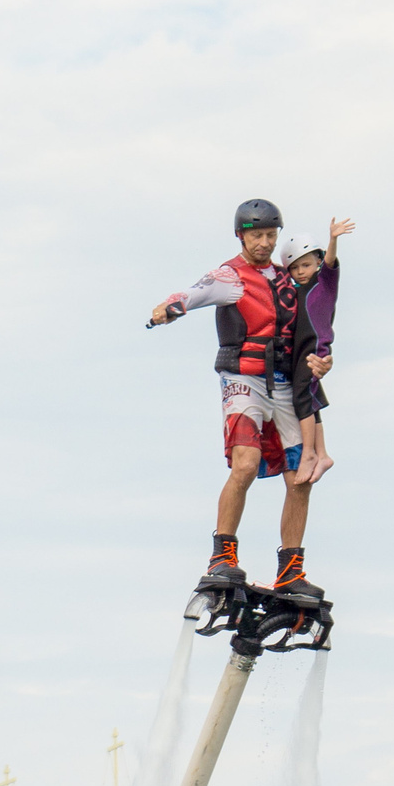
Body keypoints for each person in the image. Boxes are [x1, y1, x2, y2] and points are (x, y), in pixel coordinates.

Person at [146, 198, 325, 603]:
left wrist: (319, 361)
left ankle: (291, 570)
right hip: (243, 379)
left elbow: (311, 327)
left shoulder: (286, 280)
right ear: (241, 235)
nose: (264, 242)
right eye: (256, 235)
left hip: (282, 382)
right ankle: (222, 556)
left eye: (270, 235)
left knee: (301, 475)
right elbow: (193, 294)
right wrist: (168, 309)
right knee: (244, 464)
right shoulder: (230, 276)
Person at [282, 218, 353, 485]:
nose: (301, 272)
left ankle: (309, 454)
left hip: (315, 349)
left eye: (307, 265)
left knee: (301, 398)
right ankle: (323, 454)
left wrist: (333, 239)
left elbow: (331, 263)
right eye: (295, 268)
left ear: (318, 263)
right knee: (310, 401)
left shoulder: (324, 283)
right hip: (300, 351)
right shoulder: (294, 291)